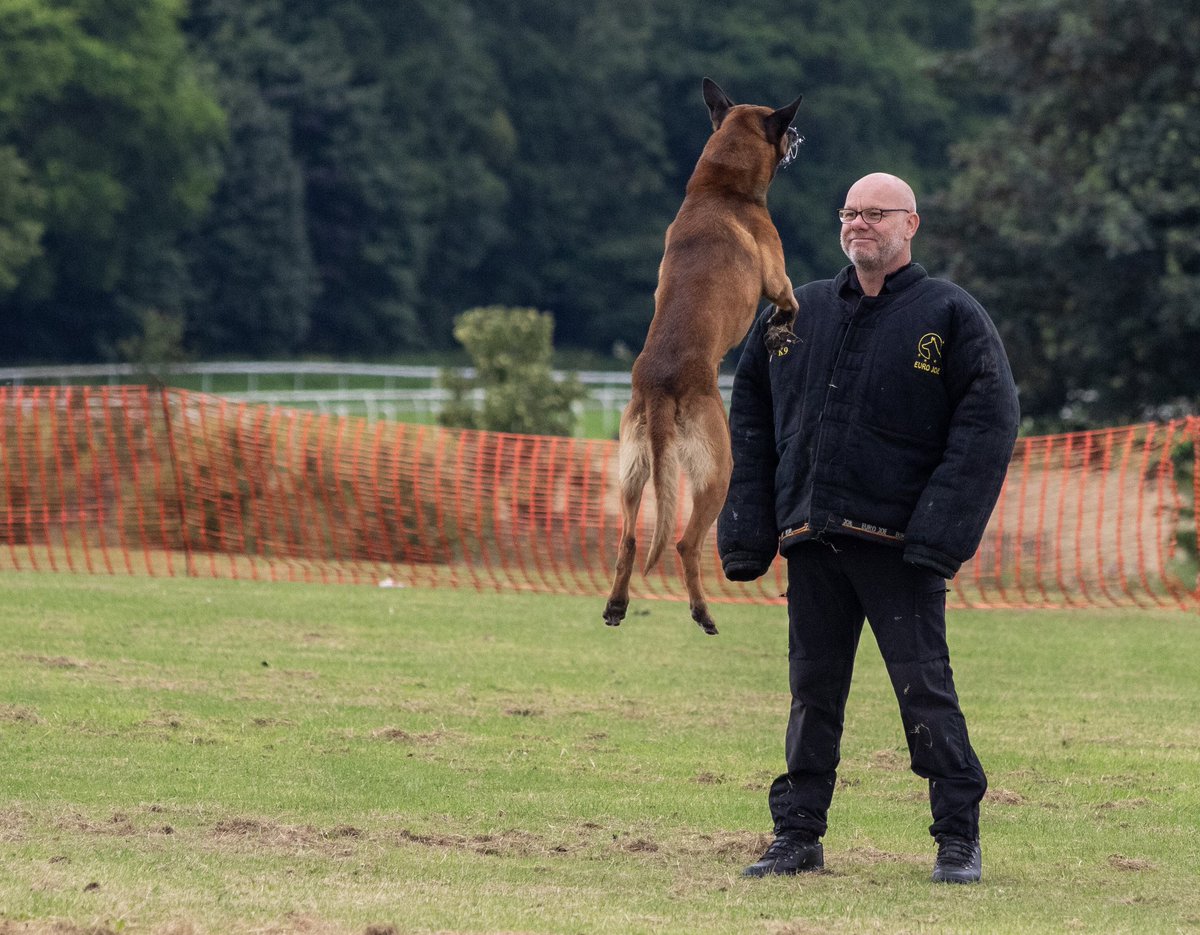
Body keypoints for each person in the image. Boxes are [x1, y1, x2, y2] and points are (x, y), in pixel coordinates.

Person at [717, 172, 1019, 884]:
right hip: (812, 538)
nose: (859, 223)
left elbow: (989, 421)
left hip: (901, 549)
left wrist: (938, 532)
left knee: (925, 691)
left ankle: (957, 838)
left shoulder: (950, 314)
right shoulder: (795, 312)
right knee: (812, 695)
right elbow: (751, 416)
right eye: (850, 212)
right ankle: (797, 835)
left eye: (876, 213)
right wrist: (749, 528)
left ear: (910, 224)